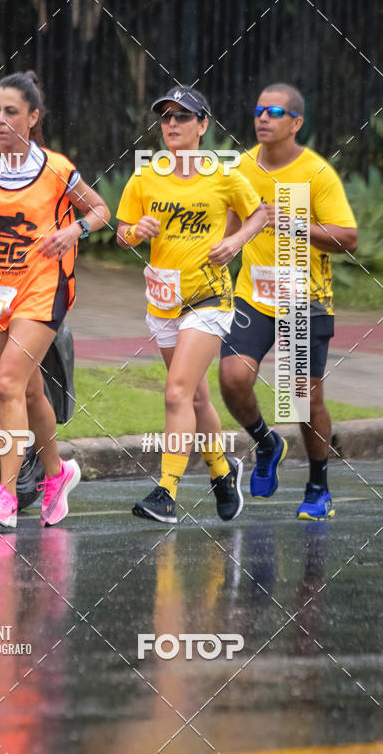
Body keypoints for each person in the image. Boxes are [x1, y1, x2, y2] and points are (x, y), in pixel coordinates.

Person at [0, 70, 110, 528]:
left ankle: (6, 496)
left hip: (40, 289)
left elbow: (101, 211)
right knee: (30, 391)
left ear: (33, 118)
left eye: (11, 111)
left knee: (8, 383)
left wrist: (74, 229)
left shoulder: (55, 169)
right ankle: (57, 473)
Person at [116, 85, 266, 524]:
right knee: (197, 400)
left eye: (183, 117)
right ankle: (222, 471)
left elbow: (259, 213)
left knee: (177, 391)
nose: (172, 125)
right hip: (163, 299)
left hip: (210, 299)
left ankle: (166, 492)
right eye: (166, 117)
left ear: (204, 125)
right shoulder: (146, 176)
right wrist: (136, 231)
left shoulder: (222, 175)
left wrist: (235, 241)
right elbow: (122, 232)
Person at [219, 83, 358, 520]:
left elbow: (349, 238)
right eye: (259, 109)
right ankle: (266, 442)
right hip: (253, 297)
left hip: (303, 300)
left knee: (301, 400)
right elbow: (228, 230)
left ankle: (318, 485)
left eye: (274, 111)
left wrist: (295, 225)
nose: (262, 118)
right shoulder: (241, 168)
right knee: (232, 378)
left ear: (296, 123)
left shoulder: (317, 173)